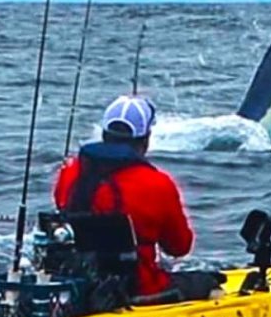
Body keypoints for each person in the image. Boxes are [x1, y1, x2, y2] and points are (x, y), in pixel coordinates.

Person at [53, 95, 222, 304]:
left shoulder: (69, 172)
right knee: (209, 282)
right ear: (145, 140)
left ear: (105, 134)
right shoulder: (158, 183)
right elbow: (179, 247)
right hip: (140, 289)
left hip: (78, 285)